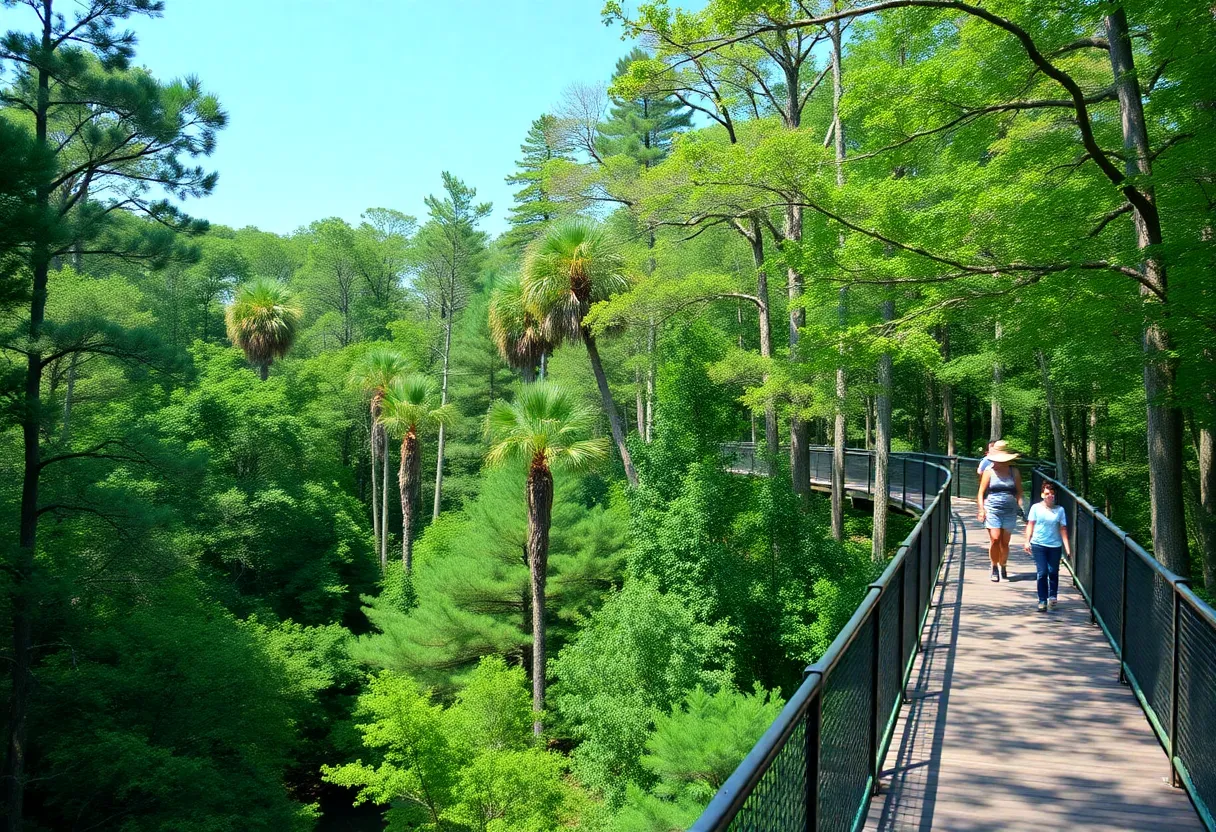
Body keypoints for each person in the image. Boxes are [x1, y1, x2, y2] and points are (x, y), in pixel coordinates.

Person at [977, 440, 1023, 582]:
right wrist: (981, 510)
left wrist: (1021, 507)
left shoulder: (1013, 472)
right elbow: (980, 493)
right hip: (992, 509)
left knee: (1005, 542)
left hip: (1009, 510)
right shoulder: (989, 472)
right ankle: (994, 566)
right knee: (995, 539)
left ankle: (1003, 565)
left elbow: (1020, 492)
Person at [1024, 481, 1071, 611]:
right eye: (1047, 493)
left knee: (1053, 571)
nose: (1049, 495)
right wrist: (1027, 541)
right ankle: (1042, 600)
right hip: (1038, 544)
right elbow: (1030, 525)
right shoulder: (1035, 508)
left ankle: (1053, 596)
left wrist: (1067, 548)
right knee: (1042, 572)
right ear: (1042, 495)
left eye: (1051, 493)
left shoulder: (1059, 510)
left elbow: (1063, 529)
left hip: (1054, 545)